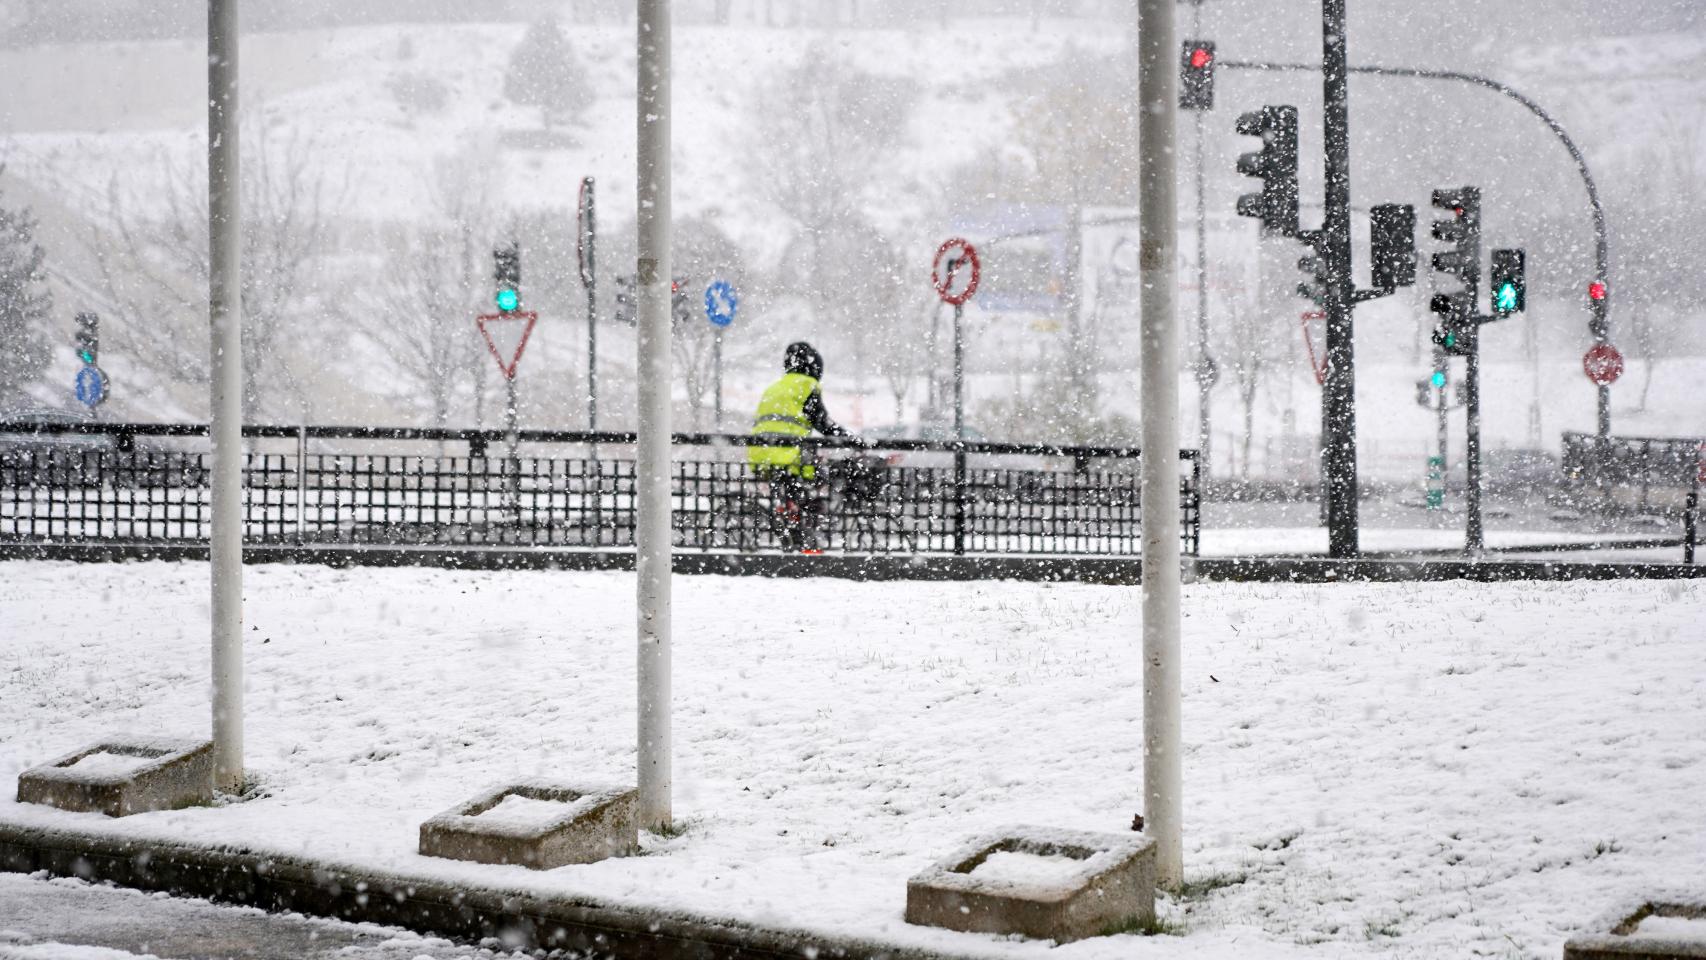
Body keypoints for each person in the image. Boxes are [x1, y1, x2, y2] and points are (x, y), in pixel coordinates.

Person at [748, 341, 851, 549]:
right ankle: (808, 534)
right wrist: (849, 438)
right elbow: (822, 422)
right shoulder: (806, 385)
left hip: (760, 454)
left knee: (793, 493)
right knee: (823, 478)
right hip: (788, 454)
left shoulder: (774, 387)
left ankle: (795, 528)